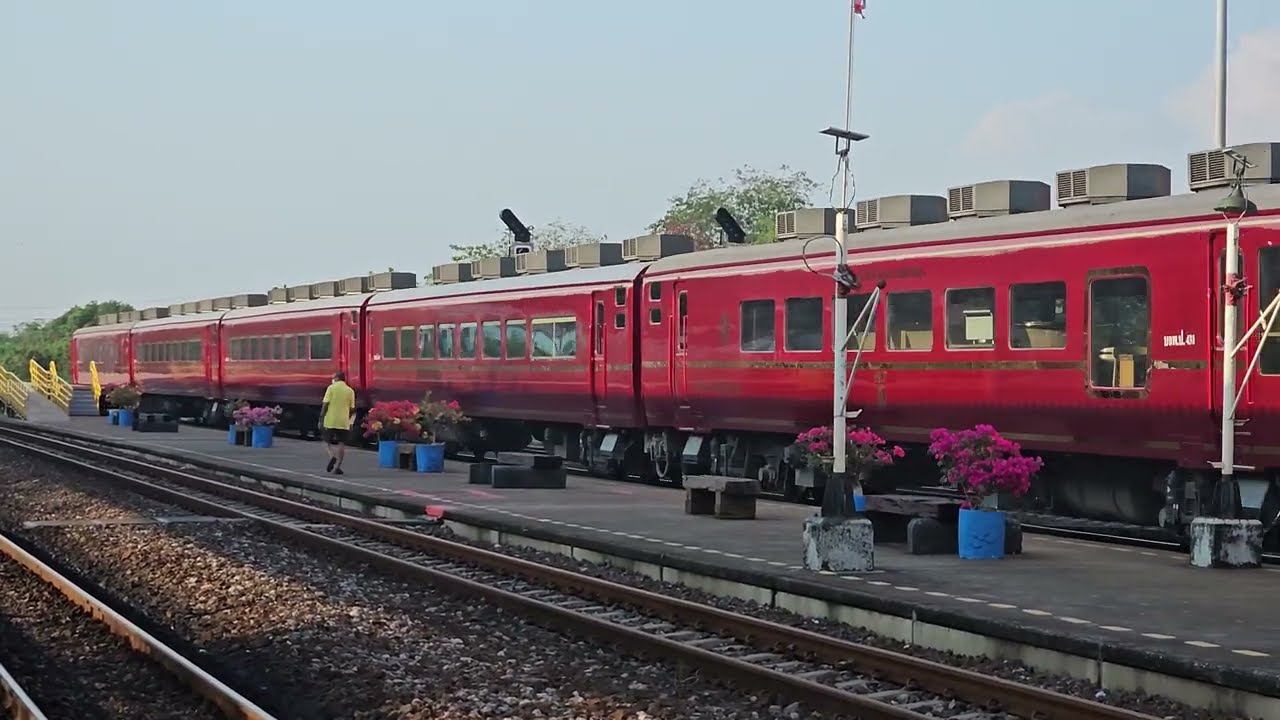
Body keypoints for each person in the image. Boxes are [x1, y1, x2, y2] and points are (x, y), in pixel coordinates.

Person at [320, 370, 356, 474]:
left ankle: (332, 456)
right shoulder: (350, 391)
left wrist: (321, 418)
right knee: (341, 443)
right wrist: (350, 422)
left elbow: (325, 405)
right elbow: (352, 409)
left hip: (330, 420)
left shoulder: (331, 388)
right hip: (343, 421)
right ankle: (337, 467)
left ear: (336, 378)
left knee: (327, 441)